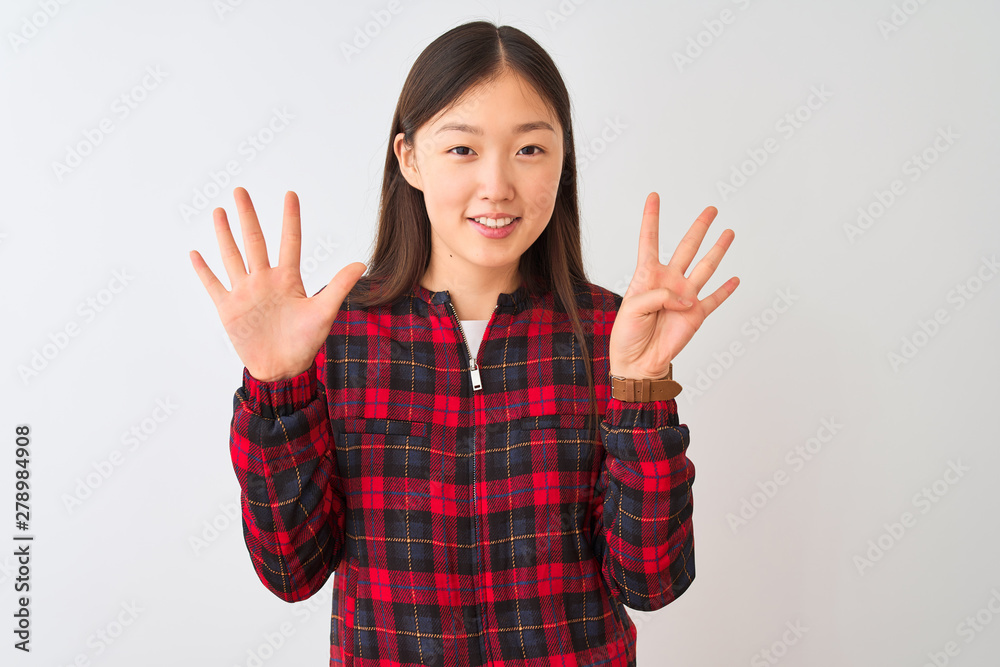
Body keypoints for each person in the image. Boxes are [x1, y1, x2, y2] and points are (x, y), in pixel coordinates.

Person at [189, 20, 738, 667]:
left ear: (564, 162)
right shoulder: (340, 338)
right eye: (463, 150)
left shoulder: (612, 335)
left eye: (530, 149)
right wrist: (278, 386)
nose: (498, 186)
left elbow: (653, 580)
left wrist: (641, 389)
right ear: (409, 158)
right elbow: (292, 569)